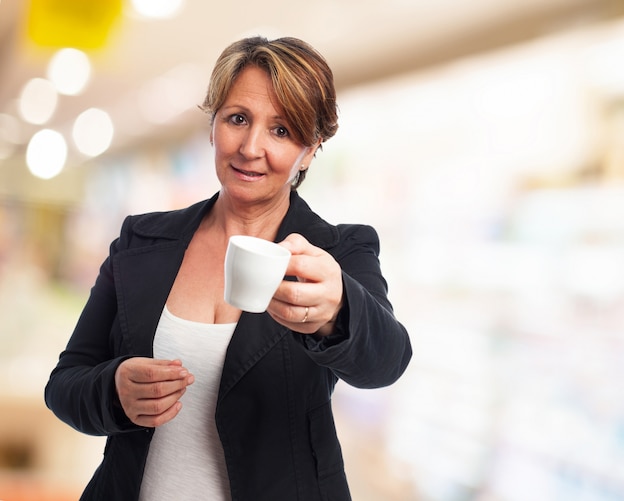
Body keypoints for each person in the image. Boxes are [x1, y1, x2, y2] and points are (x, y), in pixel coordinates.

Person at [44, 36, 412, 501]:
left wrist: (339, 310)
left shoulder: (337, 253)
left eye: (281, 131)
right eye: (238, 119)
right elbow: (66, 383)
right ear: (213, 125)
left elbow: (387, 362)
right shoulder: (142, 242)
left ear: (312, 148)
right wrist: (113, 390)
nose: (251, 147)